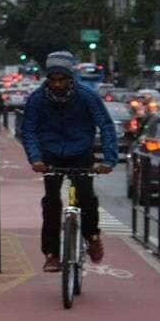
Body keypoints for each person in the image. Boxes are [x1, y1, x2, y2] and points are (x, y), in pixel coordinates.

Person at [20, 51, 116, 272]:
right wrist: (35, 158)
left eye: (62, 79)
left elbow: (106, 126)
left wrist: (109, 160)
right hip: (50, 154)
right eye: (52, 79)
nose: (57, 84)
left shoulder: (87, 97)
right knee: (51, 202)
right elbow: (29, 130)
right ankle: (52, 254)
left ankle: (92, 236)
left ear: (70, 78)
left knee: (86, 197)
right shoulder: (37, 99)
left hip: (81, 152)